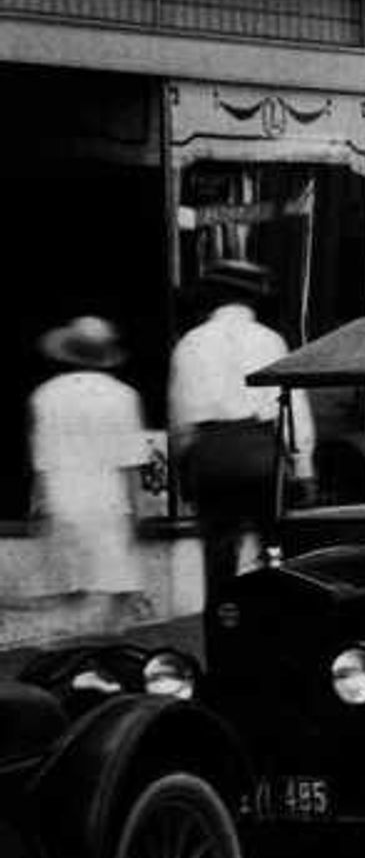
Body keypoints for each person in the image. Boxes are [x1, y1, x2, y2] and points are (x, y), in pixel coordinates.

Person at [168, 260, 298, 594]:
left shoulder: (191, 343)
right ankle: (276, 609)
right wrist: (303, 464)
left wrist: (185, 467)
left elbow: (181, 418)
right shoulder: (270, 340)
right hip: (260, 448)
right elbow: (291, 406)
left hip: (213, 453)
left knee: (218, 551)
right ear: (253, 299)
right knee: (274, 544)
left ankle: (223, 617)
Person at [27, 317, 149, 618]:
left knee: (68, 587)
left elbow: (42, 460)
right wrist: (139, 510)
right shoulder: (123, 396)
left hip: (63, 498)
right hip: (108, 501)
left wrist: (37, 504)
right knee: (116, 587)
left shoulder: (45, 396)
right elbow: (130, 462)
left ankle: (70, 648)